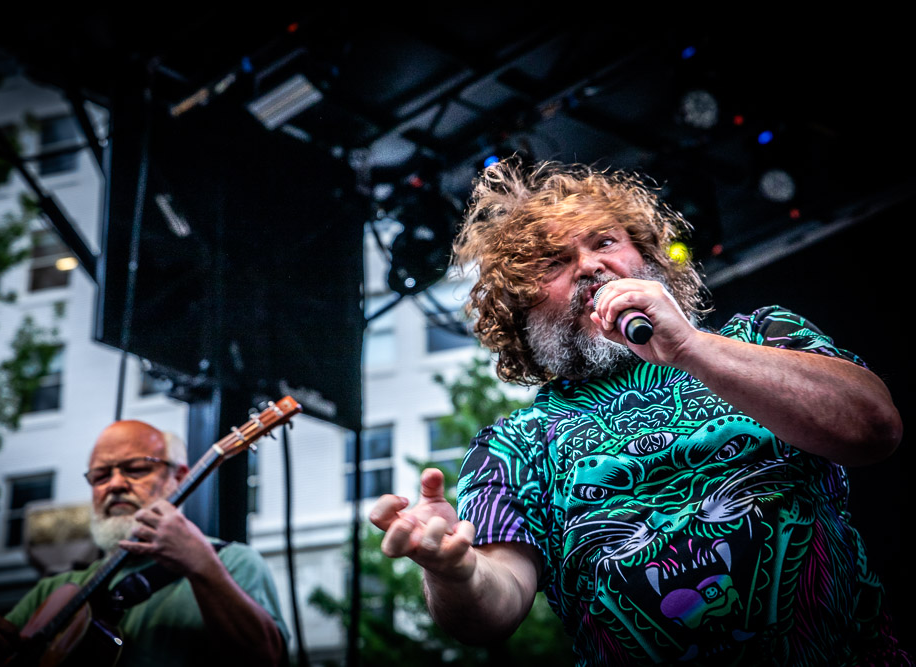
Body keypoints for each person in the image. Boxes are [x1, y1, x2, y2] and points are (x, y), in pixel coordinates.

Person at [370, 159, 909, 665]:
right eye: (554, 262)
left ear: (648, 260)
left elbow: (874, 428)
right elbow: (495, 605)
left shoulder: (762, 336)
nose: (589, 265)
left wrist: (691, 348)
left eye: (605, 241)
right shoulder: (514, 445)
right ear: (520, 306)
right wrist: (454, 572)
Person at [0, 420, 288, 666]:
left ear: (179, 477)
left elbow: (271, 660)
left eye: (135, 469)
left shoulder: (233, 562)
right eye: (100, 476)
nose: (115, 484)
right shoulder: (55, 589)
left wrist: (202, 566)